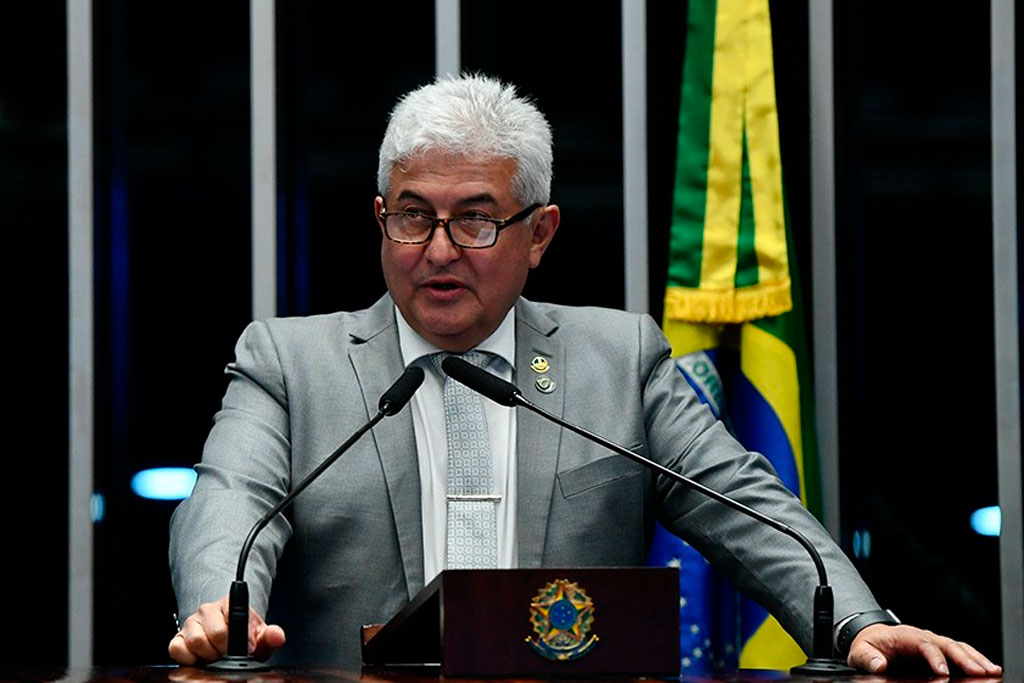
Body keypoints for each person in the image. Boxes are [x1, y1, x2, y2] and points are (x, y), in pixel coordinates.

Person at [168, 74, 1001, 677]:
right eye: (414, 215)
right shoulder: (291, 362)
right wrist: (219, 608)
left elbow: (750, 507)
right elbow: (228, 503)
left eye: (478, 220)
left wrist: (854, 619)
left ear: (541, 233)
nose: (441, 249)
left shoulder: (618, 360)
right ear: (383, 217)